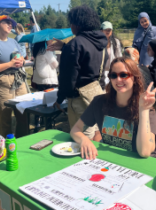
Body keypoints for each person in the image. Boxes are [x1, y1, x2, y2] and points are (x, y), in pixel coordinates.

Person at [70, 57, 156, 159]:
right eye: (113, 75)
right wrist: (84, 140)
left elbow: (145, 152)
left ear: (135, 78)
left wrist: (144, 110)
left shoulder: (146, 108)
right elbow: (75, 129)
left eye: (124, 75)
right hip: (110, 162)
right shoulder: (99, 102)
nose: (118, 80)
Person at [48, 5, 108, 139]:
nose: (71, 26)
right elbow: (91, 62)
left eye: (71, 23)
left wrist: (60, 98)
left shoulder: (75, 44)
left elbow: (68, 77)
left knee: (82, 138)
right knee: (97, 132)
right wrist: (65, 47)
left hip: (79, 98)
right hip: (97, 94)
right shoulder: (101, 42)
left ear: (78, 24)